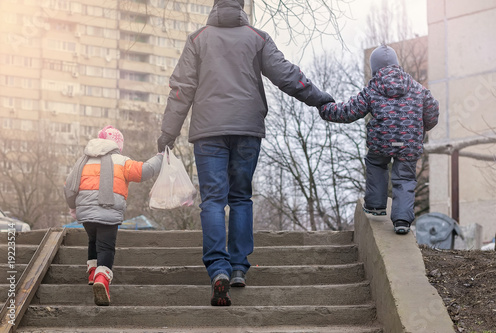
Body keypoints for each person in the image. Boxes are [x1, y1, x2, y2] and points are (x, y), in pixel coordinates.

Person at [157, 0, 334, 306]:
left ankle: (218, 269)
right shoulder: (257, 37)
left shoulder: (198, 39)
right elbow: (287, 75)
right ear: (242, 7)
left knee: (213, 199)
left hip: (208, 131)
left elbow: (181, 88)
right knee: (240, 197)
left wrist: (167, 133)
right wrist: (319, 99)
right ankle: (239, 266)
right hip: (247, 129)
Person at [317, 44, 439, 235]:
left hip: (382, 141)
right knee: (405, 177)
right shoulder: (417, 88)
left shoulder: (373, 88)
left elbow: (349, 111)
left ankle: (375, 206)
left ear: (375, 68)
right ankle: (402, 221)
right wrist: (424, 126)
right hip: (409, 143)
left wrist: (325, 109)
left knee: (376, 163)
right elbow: (433, 110)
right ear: (397, 65)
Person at [64, 125, 163, 306]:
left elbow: (69, 185)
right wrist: (160, 158)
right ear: (118, 145)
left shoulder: (83, 160)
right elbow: (143, 171)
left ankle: (93, 273)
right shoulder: (121, 160)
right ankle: (102, 279)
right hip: (108, 211)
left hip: (85, 214)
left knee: (93, 241)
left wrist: (73, 207)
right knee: (106, 247)